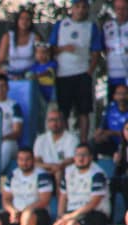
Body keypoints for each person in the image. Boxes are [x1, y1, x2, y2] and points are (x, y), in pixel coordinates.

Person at [33, 144, 110, 225]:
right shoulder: (69, 172)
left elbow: (94, 202)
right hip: (73, 212)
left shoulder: (97, 174)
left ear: (90, 157)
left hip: (96, 213)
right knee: (59, 223)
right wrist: (60, 216)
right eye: (78, 155)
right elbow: (63, 197)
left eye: (84, 155)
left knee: (71, 223)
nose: (80, 158)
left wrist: (71, 216)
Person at [48, 0, 101, 144]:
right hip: (63, 74)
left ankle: (84, 141)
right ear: (72, 8)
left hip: (82, 73)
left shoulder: (91, 27)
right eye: (77, 6)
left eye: (84, 7)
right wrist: (64, 48)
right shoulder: (61, 25)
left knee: (84, 110)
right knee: (64, 110)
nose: (80, 10)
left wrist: (89, 71)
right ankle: (66, 141)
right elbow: (50, 49)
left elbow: (96, 51)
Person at [33, 108, 78, 189]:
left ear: (63, 122)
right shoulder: (41, 139)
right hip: (46, 169)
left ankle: (60, 199)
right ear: (47, 122)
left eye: (57, 120)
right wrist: (51, 167)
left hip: (64, 171)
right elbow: (36, 161)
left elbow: (71, 160)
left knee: (59, 172)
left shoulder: (72, 138)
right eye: (51, 120)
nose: (54, 123)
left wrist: (57, 168)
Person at [0, 8, 39, 79]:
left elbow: (40, 59)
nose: (24, 21)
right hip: (12, 72)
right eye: (22, 18)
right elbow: (1, 59)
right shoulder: (7, 36)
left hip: (30, 73)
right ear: (17, 20)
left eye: (27, 19)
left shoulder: (35, 37)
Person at [94, 83, 128, 157]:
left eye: (125, 93)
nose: (122, 97)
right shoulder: (110, 108)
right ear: (114, 96)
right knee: (93, 143)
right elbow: (101, 128)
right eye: (119, 94)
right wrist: (98, 136)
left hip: (126, 144)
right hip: (113, 143)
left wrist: (111, 133)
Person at [103, 0, 128, 98]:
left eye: (124, 9)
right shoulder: (107, 26)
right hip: (113, 74)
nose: (121, 12)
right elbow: (102, 48)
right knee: (114, 102)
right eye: (118, 9)